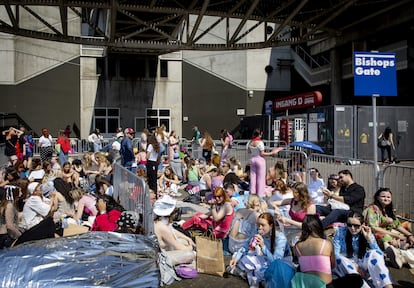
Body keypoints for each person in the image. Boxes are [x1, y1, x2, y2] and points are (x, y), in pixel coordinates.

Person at [227, 212, 291, 288]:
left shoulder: (280, 238)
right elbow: (245, 247)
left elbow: (276, 261)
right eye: (258, 224)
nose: (259, 227)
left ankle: (249, 276)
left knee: (261, 270)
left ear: (271, 226)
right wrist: (236, 259)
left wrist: (263, 247)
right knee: (245, 259)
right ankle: (252, 277)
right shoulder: (257, 231)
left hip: (281, 264)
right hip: (266, 259)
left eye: (263, 225)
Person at [333, 212, 393, 288]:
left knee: (374, 253)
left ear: (362, 224)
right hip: (346, 264)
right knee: (339, 259)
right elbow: (336, 253)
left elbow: (379, 255)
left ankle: (387, 286)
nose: (352, 228)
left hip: (362, 263)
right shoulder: (340, 231)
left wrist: (369, 239)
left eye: (356, 226)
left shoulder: (367, 232)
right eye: (349, 225)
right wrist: (355, 266)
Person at [364, 188, 414, 269]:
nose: (386, 198)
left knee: (409, 238)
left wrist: (409, 235)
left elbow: (398, 225)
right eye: (383, 196)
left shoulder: (388, 210)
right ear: (377, 197)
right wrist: (396, 236)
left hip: (389, 233)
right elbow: (374, 228)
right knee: (384, 236)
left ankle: (402, 258)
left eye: (388, 197)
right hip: (375, 235)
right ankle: (400, 254)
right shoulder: (372, 209)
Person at [294, 214, 335, 286]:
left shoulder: (297, 246)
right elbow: (333, 265)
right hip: (325, 285)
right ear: (318, 227)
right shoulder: (327, 244)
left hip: (306, 286)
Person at [153, 195, 196, 265]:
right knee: (190, 254)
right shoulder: (162, 227)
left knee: (184, 241)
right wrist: (192, 248)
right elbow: (178, 246)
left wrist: (188, 239)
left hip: (160, 251)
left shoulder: (159, 221)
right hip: (159, 257)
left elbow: (173, 231)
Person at [247, 129, 283, 197]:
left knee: (253, 177)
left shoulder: (250, 142)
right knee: (261, 178)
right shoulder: (260, 143)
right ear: (260, 134)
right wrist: (272, 152)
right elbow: (262, 153)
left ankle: (252, 192)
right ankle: (260, 194)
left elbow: (249, 152)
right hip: (260, 160)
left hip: (253, 159)